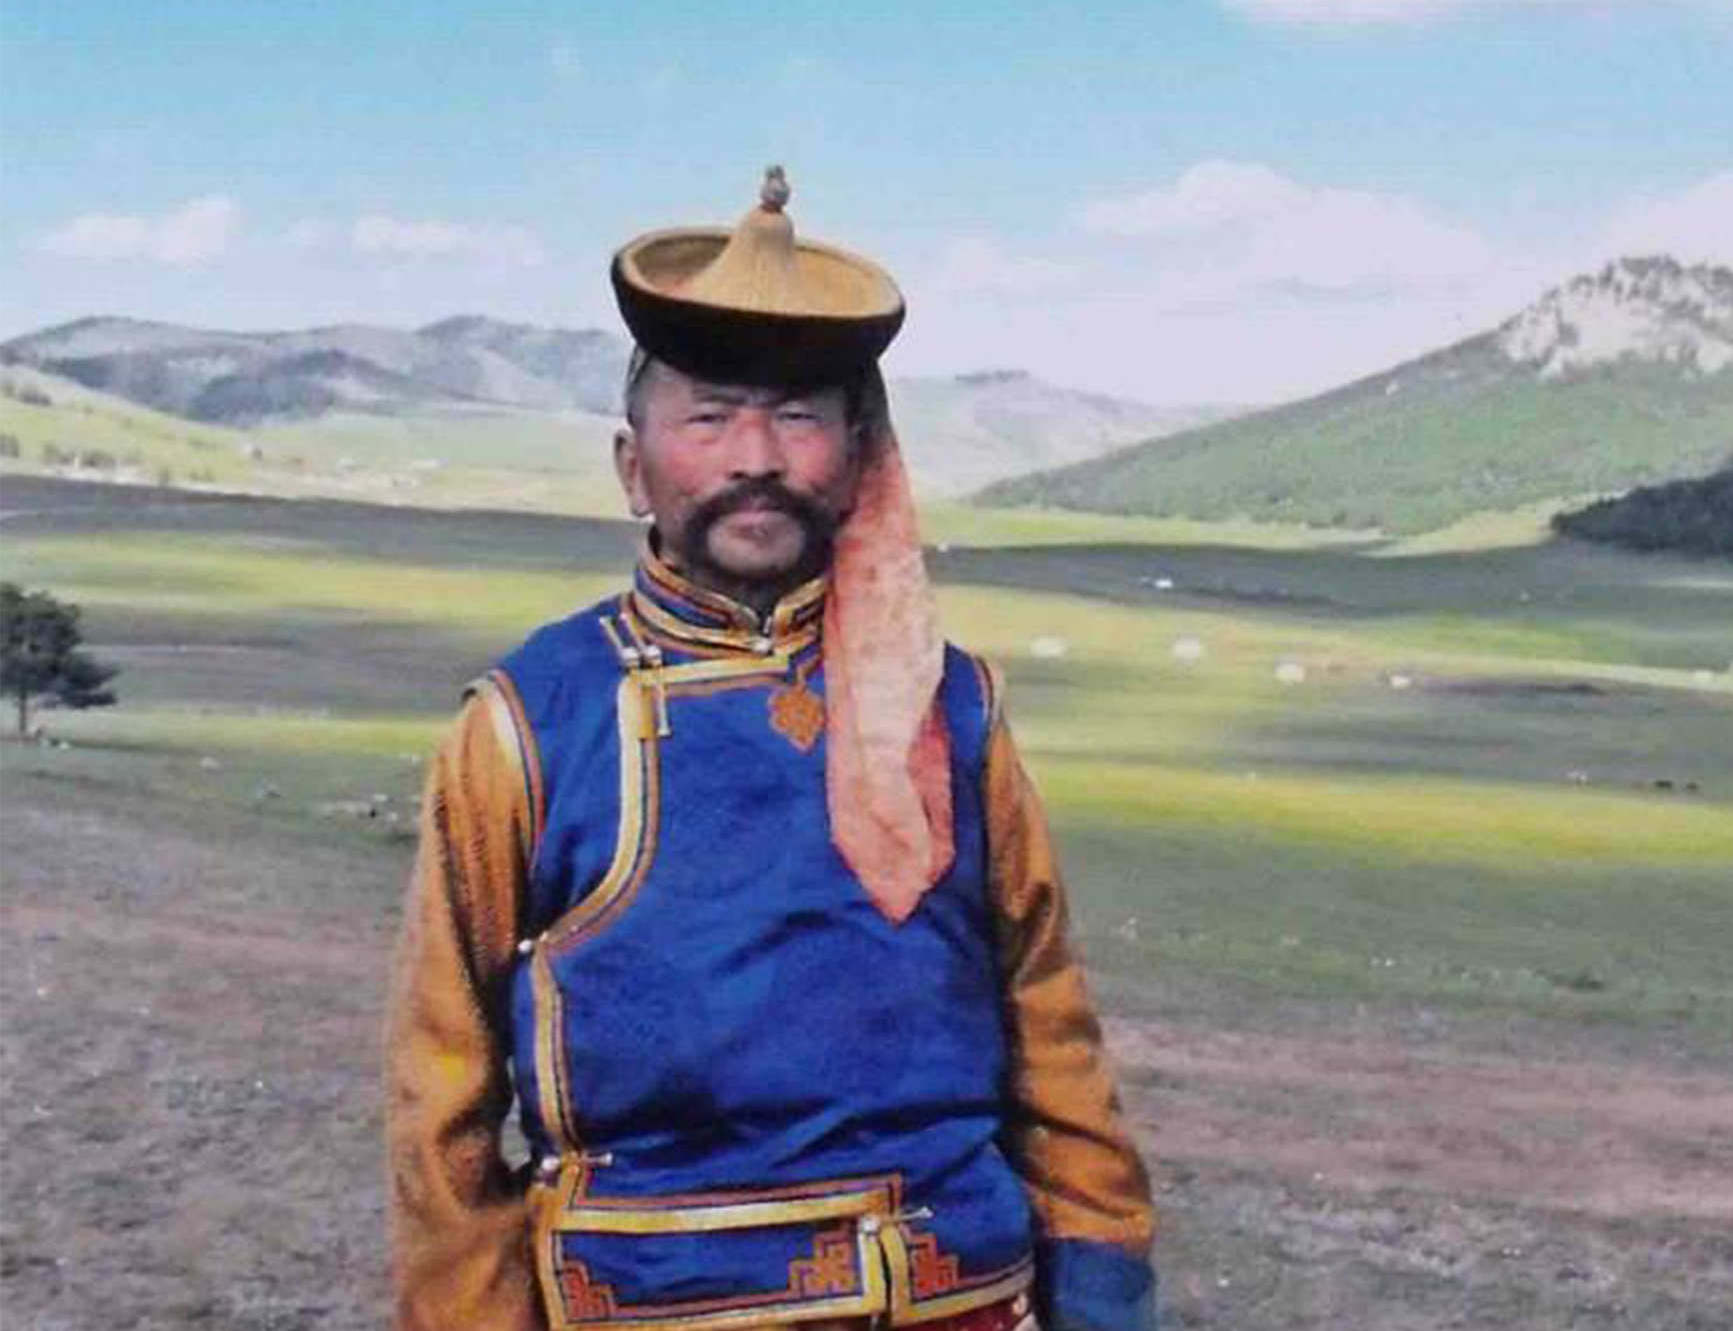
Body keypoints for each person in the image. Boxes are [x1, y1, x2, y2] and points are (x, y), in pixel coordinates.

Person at [383, 170, 1157, 1331]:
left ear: (857, 453)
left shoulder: (954, 706)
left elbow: (1050, 1026)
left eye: (798, 415)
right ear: (633, 465)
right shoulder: (528, 723)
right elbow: (439, 1090)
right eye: (709, 416)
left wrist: (1103, 1289)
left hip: (955, 1298)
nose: (756, 454)